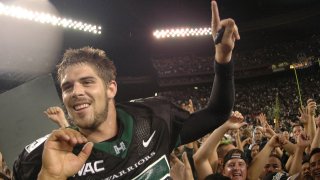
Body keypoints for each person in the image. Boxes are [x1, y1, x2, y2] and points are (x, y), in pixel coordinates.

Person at [12, 1, 239, 179]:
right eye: (67, 87)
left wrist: (223, 57)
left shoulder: (153, 119)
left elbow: (218, 112)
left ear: (111, 88)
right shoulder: (43, 156)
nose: (76, 91)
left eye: (87, 82)